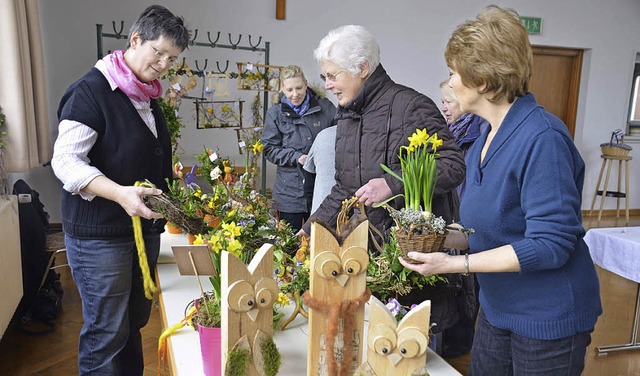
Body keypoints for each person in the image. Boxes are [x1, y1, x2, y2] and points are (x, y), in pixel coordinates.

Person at [400, 5, 602, 375]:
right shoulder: (483, 139)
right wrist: (437, 240)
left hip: (547, 317)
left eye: (453, 73)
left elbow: (550, 244)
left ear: (482, 81)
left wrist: (455, 264)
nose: (449, 81)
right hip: (498, 308)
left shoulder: (542, 138)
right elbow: (488, 231)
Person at [300, 24, 466, 339]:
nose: (329, 85)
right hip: (369, 266)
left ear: (362, 67)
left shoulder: (411, 106)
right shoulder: (347, 115)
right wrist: (307, 234)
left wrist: (393, 184)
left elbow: (453, 165)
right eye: (325, 77)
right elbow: (344, 190)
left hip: (413, 269)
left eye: (333, 75)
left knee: (411, 358)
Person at [51, 5, 190, 374]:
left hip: (139, 232)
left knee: (131, 324)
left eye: (171, 59)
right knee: (107, 333)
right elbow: (65, 163)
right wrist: (120, 193)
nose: (163, 64)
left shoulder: (146, 94)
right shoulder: (90, 91)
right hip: (101, 237)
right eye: (157, 52)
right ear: (135, 39)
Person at [439, 78, 489, 358]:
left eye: (448, 101)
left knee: (468, 281)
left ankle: (461, 341)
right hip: (455, 216)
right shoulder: (453, 131)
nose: (444, 107)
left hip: (466, 218)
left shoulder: (478, 132)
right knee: (458, 280)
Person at [262, 65, 336, 232]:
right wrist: (295, 157)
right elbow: (269, 149)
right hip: (289, 193)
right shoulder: (275, 114)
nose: (295, 94)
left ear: (306, 84)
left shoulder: (325, 108)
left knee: (320, 239)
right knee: (289, 242)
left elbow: (339, 136)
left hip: (321, 189)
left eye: (299, 88)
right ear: (282, 88)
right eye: (289, 90)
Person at [440, 79, 489, 198]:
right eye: (442, 102)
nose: (443, 108)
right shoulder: (450, 130)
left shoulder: (480, 130)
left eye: (448, 102)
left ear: (461, 101)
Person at [303, 124, 336, 215]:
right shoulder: (370, 138)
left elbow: (309, 181)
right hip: (358, 215)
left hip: (322, 210)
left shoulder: (324, 135)